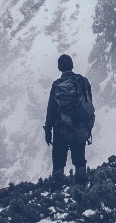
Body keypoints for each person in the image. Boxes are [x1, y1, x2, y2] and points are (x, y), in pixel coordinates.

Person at [44, 53, 95, 185]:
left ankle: (56, 190)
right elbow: (88, 102)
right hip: (79, 126)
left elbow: (51, 110)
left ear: (59, 68)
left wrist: (48, 130)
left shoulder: (56, 85)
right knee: (79, 158)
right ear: (72, 65)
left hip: (60, 128)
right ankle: (81, 187)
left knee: (58, 160)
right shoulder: (83, 81)